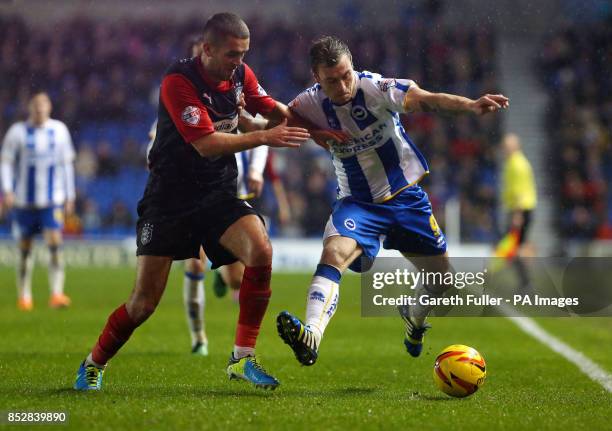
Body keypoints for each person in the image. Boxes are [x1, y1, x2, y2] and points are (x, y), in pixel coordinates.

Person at [73, 12, 310, 391]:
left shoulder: (239, 75)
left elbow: (269, 107)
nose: (240, 62)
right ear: (208, 49)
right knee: (143, 304)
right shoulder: (178, 81)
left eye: (244, 54)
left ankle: (241, 357)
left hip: (216, 193)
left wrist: (319, 126)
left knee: (261, 250)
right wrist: (265, 138)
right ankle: (93, 363)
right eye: (233, 54)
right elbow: (206, 144)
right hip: (168, 199)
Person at [276, 36, 509, 366]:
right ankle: (311, 334)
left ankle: (414, 318)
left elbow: (427, 100)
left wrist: (470, 105)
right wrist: (238, 119)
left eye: (346, 75)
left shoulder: (375, 88)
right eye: (332, 80)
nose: (342, 86)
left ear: (352, 66)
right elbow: (274, 121)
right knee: (333, 254)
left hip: (405, 199)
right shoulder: (308, 104)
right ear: (317, 78)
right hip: (358, 204)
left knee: (441, 280)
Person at [1, 91, 76, 311]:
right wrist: (7, 190)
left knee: (55, 244)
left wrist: (70, 195)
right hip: (24, 202)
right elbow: (5, 162)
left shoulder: (59, 130)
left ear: (49, 107)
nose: (40, 109)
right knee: (25, 250)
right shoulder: (17, 132)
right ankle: (24, 296)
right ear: (29, 108)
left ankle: (56, 294)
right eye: (36, 105)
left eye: (43, 104)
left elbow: (67, 164)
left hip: (52, 201)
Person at [498, 133, 536, 292]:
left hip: (520, 210)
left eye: (506, 146)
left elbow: (520, 192)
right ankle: (525, 282)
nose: (504, 149)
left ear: (514, 146)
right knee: (516, 246)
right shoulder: (515, 162)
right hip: (520, 209)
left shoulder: (517, 165)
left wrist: (517, 214)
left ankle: (526, 283)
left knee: (513, 247)